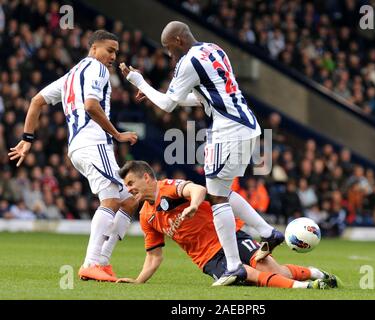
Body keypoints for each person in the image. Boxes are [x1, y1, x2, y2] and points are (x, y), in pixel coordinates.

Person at [119, 21, 284, 286]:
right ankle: (268, 232)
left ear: (178, 41)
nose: (169, 55)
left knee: (216, 197)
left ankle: (233, 267)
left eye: (169, 48)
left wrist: (138, 80)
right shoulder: (213, 49)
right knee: (223, 192)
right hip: (248, 126)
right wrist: (153, 94)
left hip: (227, 130)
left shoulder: (188, 62)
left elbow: (168, 105)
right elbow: (201, 98)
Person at [8, 30, 139, 282]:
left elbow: (36, 101)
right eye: (109, 50)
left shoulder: (70, 76)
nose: (113, 56)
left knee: (129, 199)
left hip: (78, 148)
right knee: (111, 199)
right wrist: (118, 135)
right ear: (93, 48)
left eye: (116, 52)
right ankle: (92, 263)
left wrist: (27, 139)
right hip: (93, 142)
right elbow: (91, 105)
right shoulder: (98, 69)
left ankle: (103, 262)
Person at [115, 160, 340, 289]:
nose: (129, 189)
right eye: (126, 185)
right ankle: (307, 287)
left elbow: (199, 189)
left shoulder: (167, 187)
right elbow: (154, 256)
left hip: (230, 236)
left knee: (274, 270)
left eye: (131, 183)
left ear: (146, 178)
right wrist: (137, 281)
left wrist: (193, 205)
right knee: (247, 274)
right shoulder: (147, 215)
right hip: (208, 259)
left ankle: (314, 273)